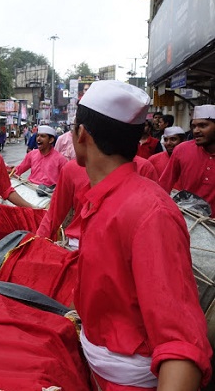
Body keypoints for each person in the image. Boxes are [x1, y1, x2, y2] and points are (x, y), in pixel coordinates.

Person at [71, 80, 211, 390]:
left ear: (81, 134)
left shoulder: (149, 212)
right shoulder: (101, 196)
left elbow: (182, 345)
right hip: (97, 368)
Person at [160, 104, 215, 216]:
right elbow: (164, 186)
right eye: (193, 126)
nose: (196, 131)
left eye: (203, 125)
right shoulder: (182, 150)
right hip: (190, 222)